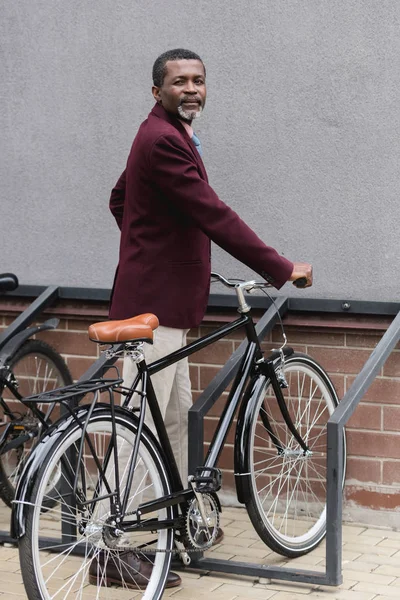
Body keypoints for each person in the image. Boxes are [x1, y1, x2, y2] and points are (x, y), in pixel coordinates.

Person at [92, 48, 313, 591]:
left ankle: (172, 522)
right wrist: (281, 267)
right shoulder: (164, 139)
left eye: (199, 80)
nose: (191, 88)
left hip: (166, 305)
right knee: (136, 430)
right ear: (156, 91)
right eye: (179, 81)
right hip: (152, 311)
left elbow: (122, 198)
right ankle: (106, 544)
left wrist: (152, 243)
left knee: (171, 421)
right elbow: (212, 213)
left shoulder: (164, 133)